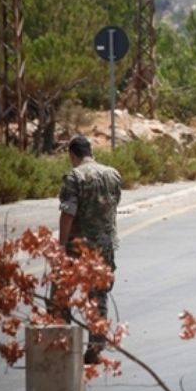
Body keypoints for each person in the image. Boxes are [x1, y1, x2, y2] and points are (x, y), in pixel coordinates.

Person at [58, 135, 123, 364]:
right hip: (104, 247)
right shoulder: (113, 175)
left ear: (72, 155)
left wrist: (61, 247)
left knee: (61, 293)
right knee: (98, 296)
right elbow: (113, 207)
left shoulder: (74, 177)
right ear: (91, 151)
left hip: (78, 247)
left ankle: (61, 342)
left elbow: (68, 214)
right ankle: (96, 345)